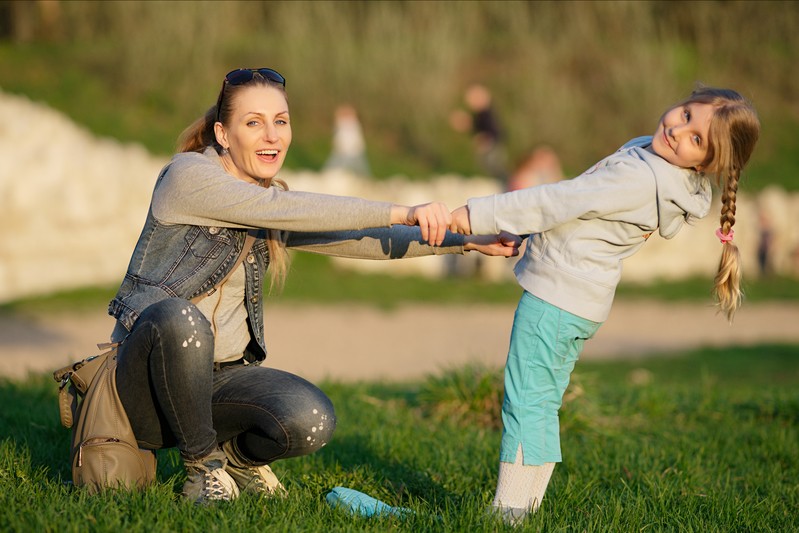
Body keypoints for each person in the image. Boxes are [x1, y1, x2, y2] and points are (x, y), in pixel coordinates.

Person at [108, 67, 520, 505]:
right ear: (222, 134)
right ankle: (202, 470)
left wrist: (466, 242)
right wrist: (403, 210)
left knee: (311, 417)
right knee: (180, 316)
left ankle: (235, 460)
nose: (271, 135)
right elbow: (290, 208)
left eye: (280, 121)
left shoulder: (265, 202)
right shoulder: (187, 176)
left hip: (217, 382)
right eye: (253, 122)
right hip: (147, 385)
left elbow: (355, 238)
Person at [447, 86, 760, 524]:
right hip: (578, 299)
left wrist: (478, 215)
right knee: (541, 401)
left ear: (707, 163)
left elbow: (558, 200)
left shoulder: (640, 177)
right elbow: (581, 214)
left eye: (696, 138)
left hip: (555, 298)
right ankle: (524, 508)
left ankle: (509, 513)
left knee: (525, 401)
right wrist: (524, 232)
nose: (677, 129)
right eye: (686, 114)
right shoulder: (659, 171)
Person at [449, 84, 510, 188]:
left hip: (491, 148)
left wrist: (485, 138)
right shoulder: (482, 115)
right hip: (490, 148)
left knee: (496, 171)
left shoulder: (486, 114)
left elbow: (494, 131)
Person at [323, 104, 371, 177]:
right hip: (343, 151)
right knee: (334, 167)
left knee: (359, 169)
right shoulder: (343, 124)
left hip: (354, 151)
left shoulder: (353, 125)